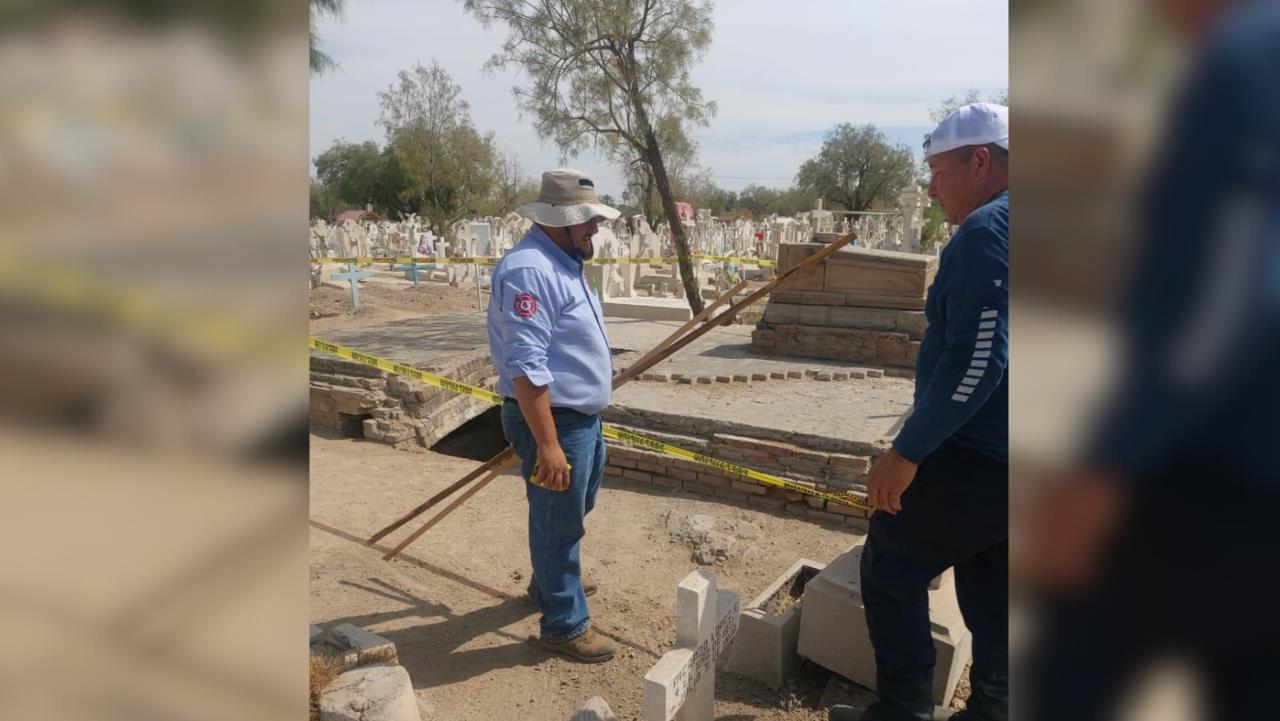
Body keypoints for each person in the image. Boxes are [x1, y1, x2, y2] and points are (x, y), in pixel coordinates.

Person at [1025, 2, 1280, 718]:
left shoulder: (1244, 61)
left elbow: (1225, 300)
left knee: (1072, 670)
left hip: (1217, 466)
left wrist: (1108, 469)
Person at [830, 103, 1009, 721]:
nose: (930, 188)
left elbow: (979, 359)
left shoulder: (988, 233)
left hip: (974, 454)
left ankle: (903, 711)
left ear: (979, 161)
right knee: (995, 583)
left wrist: (905, 454)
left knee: (890, 565)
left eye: (938, 171)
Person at [486, 168, 619, 663]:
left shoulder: (563, 261)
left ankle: (550, 579)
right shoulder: (531, 270)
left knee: (567, 512)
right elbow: (525, 364)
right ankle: (563, 624)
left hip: (577, 417)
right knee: (559, 521)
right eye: (588, 221)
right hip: (553, 420)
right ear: (561, 221)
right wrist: (547, 443)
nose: (595, 230)